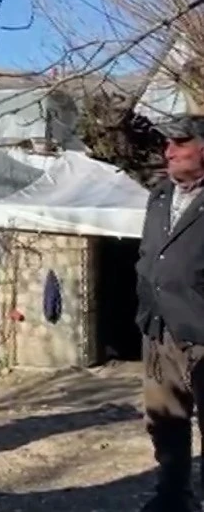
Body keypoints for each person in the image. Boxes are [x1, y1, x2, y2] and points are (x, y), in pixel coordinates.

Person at [136, 114, 204, 511]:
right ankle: (173, 495)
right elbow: (150, 255)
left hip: (201, 332)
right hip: (159, 329)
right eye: (168, 143)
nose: (169, 150)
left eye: (180, 142)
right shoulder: (159, 195)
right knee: (165, 419)